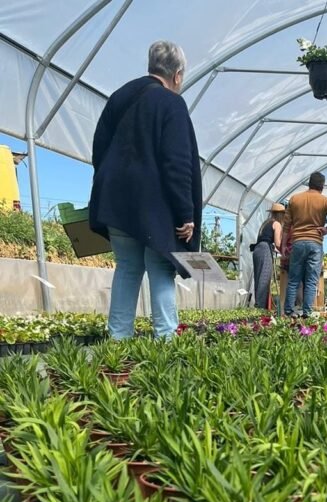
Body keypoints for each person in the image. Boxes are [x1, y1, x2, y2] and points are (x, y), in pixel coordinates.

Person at [89, 40, 201, 339]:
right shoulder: (171, 102)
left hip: (115, 204)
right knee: (161, 268)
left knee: (127, 268)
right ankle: (165, 343)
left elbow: (99, 150)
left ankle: (117, 341)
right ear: (177, 75)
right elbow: (177, 162)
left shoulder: (119, 97)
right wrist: (185, 212)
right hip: (155, 208)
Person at [283, 171, 327, 317]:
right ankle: (307, 313)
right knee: (311, 280)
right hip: (315, 242)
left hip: (297, 242)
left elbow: (286, 225)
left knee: (293, 280)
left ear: (309, 183)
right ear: (322, 186)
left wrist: (285, 244)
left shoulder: (295, 199)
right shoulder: (324, 201)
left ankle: (289, 312)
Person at [251, 202, 284, 309]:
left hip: (257, 249)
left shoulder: (266, 223)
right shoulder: (277, 224)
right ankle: (260, 306)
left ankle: (258, 302)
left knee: (258, 277)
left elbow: (265, 239)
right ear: (281, 215)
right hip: (265, 249)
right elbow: (278, 243)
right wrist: (285, 253)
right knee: (264, 278)